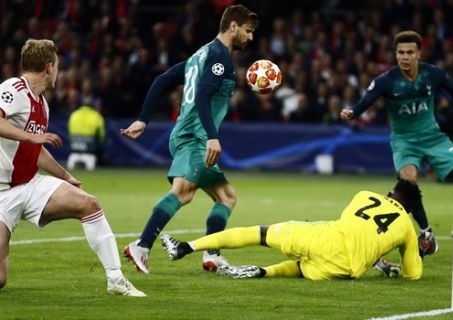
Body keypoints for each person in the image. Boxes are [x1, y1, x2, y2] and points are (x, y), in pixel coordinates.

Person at [0, 39, 145, 297]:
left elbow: (36, 151)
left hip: (30, 184)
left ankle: (115, 279)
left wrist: (66, 176)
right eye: (56, 66)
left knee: (88, 204)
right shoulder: (13, 88)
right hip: (2, 193)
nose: (58, 71)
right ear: (49, 67)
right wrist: (32, 137)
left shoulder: (41, 103)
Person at [121, 5, 259, 273]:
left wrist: (143, 118)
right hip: (195, 137)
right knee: (183, 193)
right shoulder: (220, 58)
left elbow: (163, 80)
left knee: (226, 197)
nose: (250, 37)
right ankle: (142, 245)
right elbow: (203, 97)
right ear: (233, 26)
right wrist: (212, 136)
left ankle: (211, 254)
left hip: (187, 133)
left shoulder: (202, 53)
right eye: (248, 30)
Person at [340, 30, 453, 257]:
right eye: (400, 52)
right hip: (404, 141)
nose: (404, 57)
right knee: (408, 181)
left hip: (433, 136)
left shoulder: (432, 74)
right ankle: (427, 235)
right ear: (395, 54)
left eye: (409, 52)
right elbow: (366, 101)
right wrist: (352, 112)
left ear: (418, 54)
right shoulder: (387, 80)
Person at [160, 179, 424, 281]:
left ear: (391, 192)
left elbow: (357, 226)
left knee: (260, 233)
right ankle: (262, 271)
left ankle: (185, 247)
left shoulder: (365, 194)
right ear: (409, 209)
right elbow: (413, 275)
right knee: (300, 267)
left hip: (327, 237)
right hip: (345, 270)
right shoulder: (407, 229)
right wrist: (410, 255)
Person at [67, 101, 105, 171]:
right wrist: (100, 142)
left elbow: (69, 129)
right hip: (90, 150)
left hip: (74, 148)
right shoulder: (96, 115)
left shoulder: (74, 114)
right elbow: (101, 134)